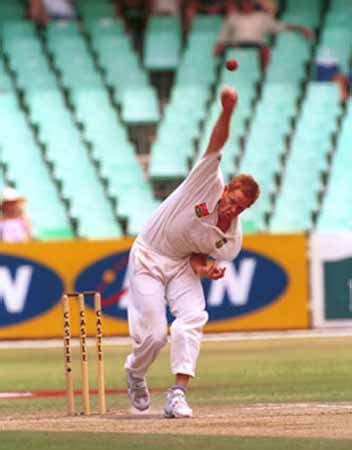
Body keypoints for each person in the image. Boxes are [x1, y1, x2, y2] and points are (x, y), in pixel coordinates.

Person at [124, 85, 260, 418]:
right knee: (155, 336)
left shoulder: (231, 241)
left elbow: (199, 256)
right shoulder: (206, 181)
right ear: (225, 189)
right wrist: (227, 111)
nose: (230, 209)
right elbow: (217, 143)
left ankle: (178, 394)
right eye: (230, 200)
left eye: (239, 208)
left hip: (182, 264)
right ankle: (135, 373)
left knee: (192, 320)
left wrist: (205, 269)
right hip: (148, 255)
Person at [214, 0, 312, 71]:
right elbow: (224, 35)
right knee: (225, 52)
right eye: (244, 2)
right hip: (237, 44)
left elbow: (279, 26)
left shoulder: (262, 17)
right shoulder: (233, 18)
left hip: (257, 43)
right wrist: (220, 45)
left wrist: (300, 28)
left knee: (265, 50)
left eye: (249, 2)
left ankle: (263, 74)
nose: (247, 4)